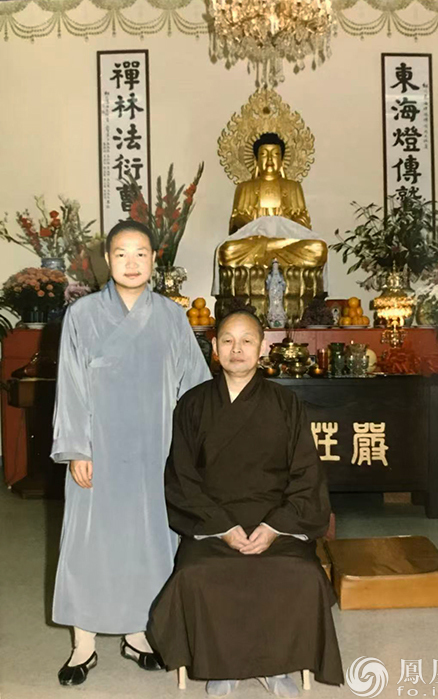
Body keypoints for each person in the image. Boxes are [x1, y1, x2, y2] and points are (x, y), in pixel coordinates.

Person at [148, 310, 344, 697]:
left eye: (247, 341)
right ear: (214, 347)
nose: (236, 349)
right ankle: (222, 664)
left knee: (298, 571)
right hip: (211, 520)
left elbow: (307, 474)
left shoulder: (285, 403)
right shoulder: (192, 404)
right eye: (227, 341)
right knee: (197, 572)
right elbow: (182, 477)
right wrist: (222, 527)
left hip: (277, 520)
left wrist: (274, 527)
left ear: (262, 347)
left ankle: (278, 665)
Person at [51, 220, 211, 686]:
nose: (132, 263)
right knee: (89, 544)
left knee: (149, 542)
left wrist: (194, 449)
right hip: (98, 450)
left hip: (153, 450)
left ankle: (139, 634)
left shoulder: (171, 316)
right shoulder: (82, 315)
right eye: (121, 254)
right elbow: (70, 386)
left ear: (155, 260)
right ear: (107, 259)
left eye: (141, 253)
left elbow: (195, 387)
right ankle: (83, 644)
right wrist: (77, 448)